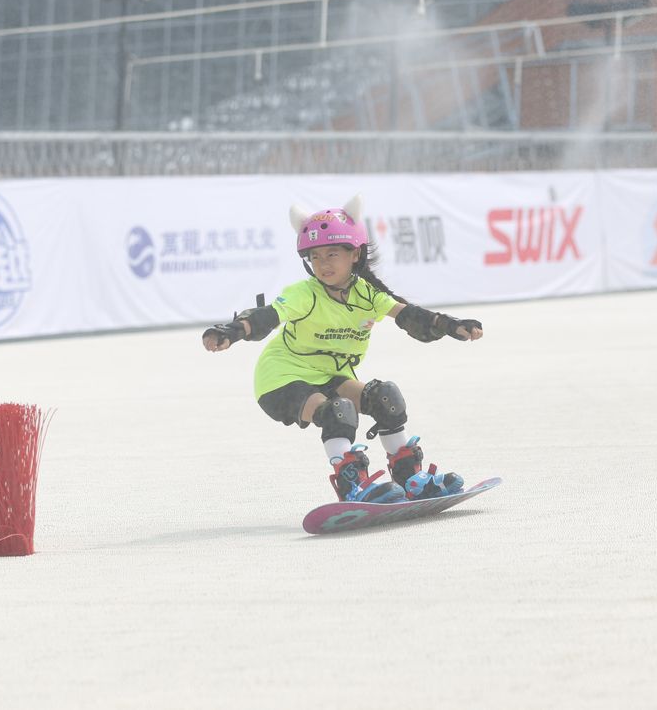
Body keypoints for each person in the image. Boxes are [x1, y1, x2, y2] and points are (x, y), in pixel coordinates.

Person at [201, 195, 483, 504]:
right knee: (338, 412)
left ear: (355, 255)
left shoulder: (368, 295)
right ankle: (352, 486)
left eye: (332, 254)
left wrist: (451, 325)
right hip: (281, 379)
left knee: (385, 397)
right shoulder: (304, 294)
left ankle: (409, 478)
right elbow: (266, 316)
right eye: (316, 257)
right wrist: (232, 331)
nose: (323, 264)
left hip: (328, 375)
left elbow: (410, 316)